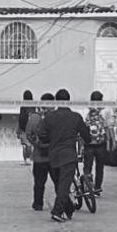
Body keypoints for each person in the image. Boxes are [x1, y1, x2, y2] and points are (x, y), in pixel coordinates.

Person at [39, 89, 91, 222]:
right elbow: (86, 135)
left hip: (54, 156)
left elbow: (42, 135)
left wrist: (52, 139)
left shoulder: (49, 117)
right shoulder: (76, 117)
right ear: (68, 101)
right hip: (68, 156)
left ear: (57, 101)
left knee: (59, 185)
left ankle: (69, 209)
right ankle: (57, 211)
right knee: (64, 185)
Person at [25, 94, 56, 211]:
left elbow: (28, 133)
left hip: (39, 156)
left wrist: (36, 145)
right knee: (58, 182)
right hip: (54, 156)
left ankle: (38, 204)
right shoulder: (56, 117)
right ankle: (62, 203)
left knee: (39, 182)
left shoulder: (34, 117)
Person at [83, 91, 109, 196]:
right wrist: (109, 142)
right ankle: (97, 188)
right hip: (100, 144)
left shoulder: (86, 110)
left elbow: (83, 126)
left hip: (88, 144)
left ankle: (87, 186)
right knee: (100, 167)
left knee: (87, 166)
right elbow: (107, 127)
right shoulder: (105, 111)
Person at [17, 90, 34, 166]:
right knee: (28, 144)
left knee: (26, 145)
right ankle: (28, 159)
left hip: (24, 128)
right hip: (28, 128)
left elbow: (21, 118)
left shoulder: (24, 106)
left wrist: (19, 129)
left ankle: (27, 159)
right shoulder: (30, 106)